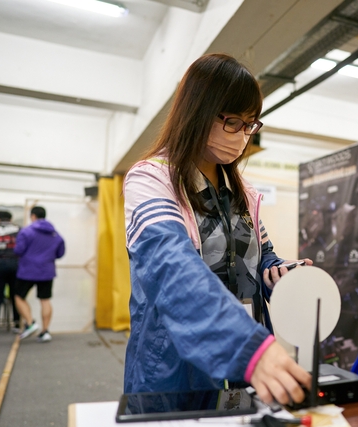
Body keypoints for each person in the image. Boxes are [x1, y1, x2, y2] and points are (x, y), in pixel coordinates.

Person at [124, 53, 313, 405]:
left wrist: (278, 272)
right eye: (232, 122)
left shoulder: (243, 192)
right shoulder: (151, 180)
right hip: (177, 365)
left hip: (243, 363)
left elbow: (260, 256)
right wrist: (246, 346)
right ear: (197, 112)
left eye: (250, 125)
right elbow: (172, 268)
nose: (242, 136)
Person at [13, 206, 65, 343]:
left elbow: (18, 250)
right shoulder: (55, 233)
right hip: (47, 271)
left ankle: (30, 323)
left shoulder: (26, 231)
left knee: (19, 296)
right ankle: (45, 331)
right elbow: (60, 253)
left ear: (33, 216)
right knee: (45, 299)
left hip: (27, 271)